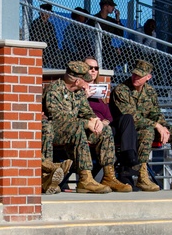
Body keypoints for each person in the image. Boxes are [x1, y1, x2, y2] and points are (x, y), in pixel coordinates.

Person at [110, 59, 172, 193]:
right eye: (134, 74)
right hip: (129, 132)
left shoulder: (150, 91)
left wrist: (163, 127)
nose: (136, 78)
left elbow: (155, 113)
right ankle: (142, 175)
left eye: (140, 76)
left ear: (148, 77)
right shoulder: (121, 90)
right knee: (148, 131)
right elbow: (131, 116)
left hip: (150, 126)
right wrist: (156, 125)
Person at [41, 61, 130, 193]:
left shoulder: (79, 92)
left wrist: (95, 120)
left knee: (105, 130)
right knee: (79, 127)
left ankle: (109, 175)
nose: (89, 83)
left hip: (74, 130)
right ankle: (85, 178)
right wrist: (85, 123)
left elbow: (86, 111)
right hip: (56, 131)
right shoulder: (54, 90)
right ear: (77, 81)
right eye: (86, 81)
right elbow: (57, 117)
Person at [84, 56, 138, 185]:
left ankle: (128, 157)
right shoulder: (78, 91)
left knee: (127, 119)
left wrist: (105, 122)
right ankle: (127, 168)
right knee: (111, 130)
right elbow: (74, 110)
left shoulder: (99, 92)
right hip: (91, 126)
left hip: (105, 125)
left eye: (95, 68)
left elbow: (108, 116)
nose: (93, 70)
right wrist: (84, 96)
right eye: (89, 68)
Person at [29, 3, 60, 69]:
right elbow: (35, 38)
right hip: (39, 48)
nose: (45, 15)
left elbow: (54, 39)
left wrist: (55, 50)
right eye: (43, 13)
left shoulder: (50, 25)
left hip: (50, 50)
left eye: (47, 13)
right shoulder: (35, 24)